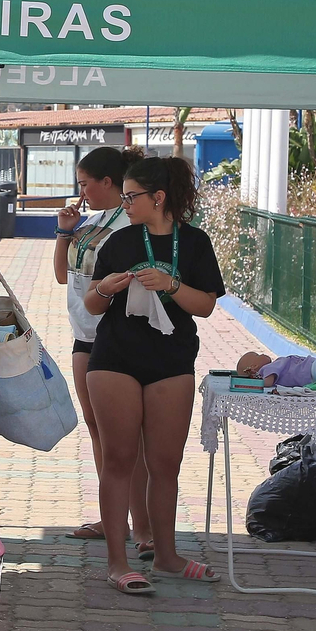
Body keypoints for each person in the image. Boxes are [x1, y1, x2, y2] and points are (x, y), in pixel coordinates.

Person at [84, 155, 226, 593]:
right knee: (120, 459)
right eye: (123, 196)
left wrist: (171, 286)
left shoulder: (195, 243)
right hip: (115, 359)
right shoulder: (121, 241)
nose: (125, 203)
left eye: (131, 196)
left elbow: (205, 305)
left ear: (158, 198)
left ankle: (166, 555)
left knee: (166, 463)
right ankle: (117, 562)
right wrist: (106, 287)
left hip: (171, 361)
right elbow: (92, 304)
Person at [53, 146, 151, 552]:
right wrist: (63, 231)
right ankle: (114, 516)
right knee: (96, 427)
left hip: (116, 335)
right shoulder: (88, 223)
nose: (81, 193)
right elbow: (63, 276)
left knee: (129, 436)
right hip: (83, 334)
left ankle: (142, 523)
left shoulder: (126, 226)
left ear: (107, 182)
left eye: (85, 184)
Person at [234, 352, 316, 388]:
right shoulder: (266, 369)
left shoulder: (273, 365)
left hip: (310, 370)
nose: (263, 354)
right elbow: (267, 382)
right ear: (253, 366)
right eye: (258, 355)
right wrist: (254, 382)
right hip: (311, 369)